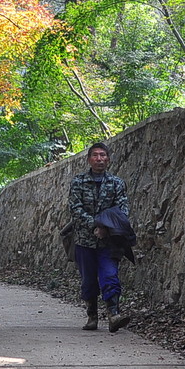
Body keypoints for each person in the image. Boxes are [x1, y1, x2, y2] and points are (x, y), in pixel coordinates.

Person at [68, 141, 132, 332]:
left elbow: (122, 209)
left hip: (108, 241)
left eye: (103, 155)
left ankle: (114, 314)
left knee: (110, 275)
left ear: (109, 159)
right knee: (88, 280)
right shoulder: (78, 182)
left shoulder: (117, 183)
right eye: (95, 155)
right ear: (89, 159)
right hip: (84, 240)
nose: (99, 159)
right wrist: (94, 224)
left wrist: (105, 228)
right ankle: (92, 316)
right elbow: (75, 208)